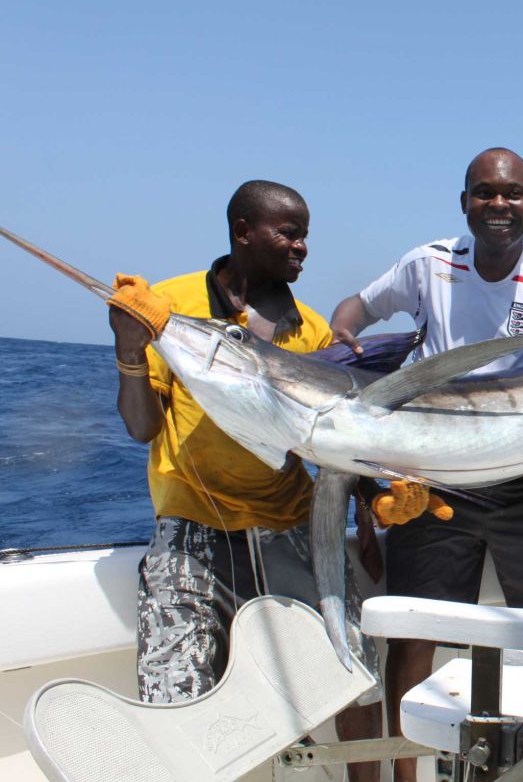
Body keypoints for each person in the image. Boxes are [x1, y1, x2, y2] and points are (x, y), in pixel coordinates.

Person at [330, 148, 523, 782]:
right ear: (464, 201)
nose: (498, 205)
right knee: (411, 637)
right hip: (432, 479)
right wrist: (341, 334)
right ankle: (407, 775)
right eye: (484, 193)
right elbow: (359, 306)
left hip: (520, 483)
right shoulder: (427, 264)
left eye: (511, 194)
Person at [107, 180, 382, 782]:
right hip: (192, 534)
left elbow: (336, 443)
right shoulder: (171, 305)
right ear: (242, 232)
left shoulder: (312, 333)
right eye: (288, 232)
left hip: (289, 528)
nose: (302, 247)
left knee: (358, 681)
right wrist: (132, 350)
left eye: (306, 234)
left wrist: (379, 500)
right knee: (171, 701)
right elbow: (140, 427)